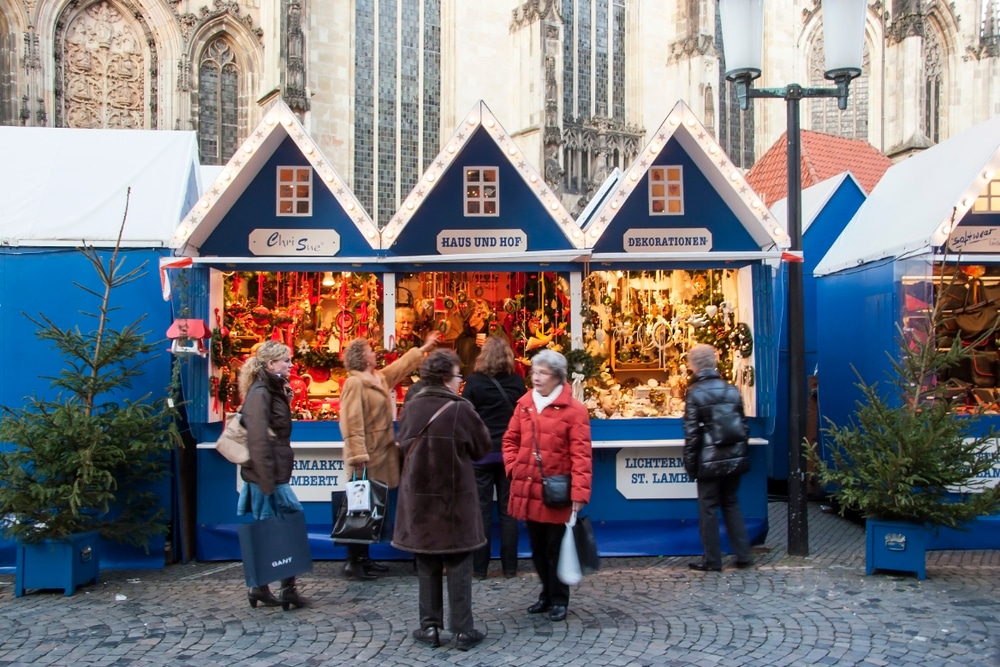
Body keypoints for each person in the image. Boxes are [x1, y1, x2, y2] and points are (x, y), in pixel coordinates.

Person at [393, 349, 491, 651]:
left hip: (419, 501)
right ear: (447, 377)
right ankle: (463, 631)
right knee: (460, 561)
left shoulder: (411, 408)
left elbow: (402, 446)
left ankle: (430, 628)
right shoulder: (461, 409)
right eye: (458, 375)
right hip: (454, 502)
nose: (460, 380)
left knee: (427, 563)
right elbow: (481, 449)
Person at [338, 330, 439, 580]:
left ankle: (364, 559)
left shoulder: (377, 378)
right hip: (367, 457)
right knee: (360, 508)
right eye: (370, 351)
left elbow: (400, 367)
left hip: (382, 453)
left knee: (372, 508)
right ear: (363, 357)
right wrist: (358, 455)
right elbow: (351, 422)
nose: (375, 353)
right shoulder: (355, 383)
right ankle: (354, 561)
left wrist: (424, 347)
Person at [502, 349, 592, 622]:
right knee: (537, 548)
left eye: (542, 373)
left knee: (555, 547)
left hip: (555, 491)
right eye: (534, 372)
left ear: (557, 376)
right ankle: (545, 593)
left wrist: (579, 493)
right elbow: (509, 440)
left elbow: (581, 455)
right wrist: (514, 468)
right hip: (528, 489)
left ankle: (558, 598)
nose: (536, 377)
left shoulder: (574, 412)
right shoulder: (524, 404)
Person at [236, 340, 310, 609]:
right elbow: (257, 438)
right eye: (286, 360)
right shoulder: (260, 393)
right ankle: (282, 588)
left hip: (269, 473)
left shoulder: (272, 390)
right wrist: (266, 482)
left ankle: (262, 587)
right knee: (285, 521)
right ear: (270, 364)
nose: (291, 364)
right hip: (266, 476)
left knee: (272, 527)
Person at [682, 343, 752, 572]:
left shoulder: (694, 393)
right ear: (714, 362)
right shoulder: (732, 390)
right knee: (731, 502)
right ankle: (743, 554)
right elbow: (743, 425)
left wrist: (691, 466)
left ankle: (712, 559)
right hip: (734, 456)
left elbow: (692, 434)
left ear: (693, 365)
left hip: (709, 460)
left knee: (708, 508)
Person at [461, 336, 527, 579]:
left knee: (481, 511)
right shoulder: (517, 382)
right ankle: (510, 567)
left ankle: (479, 569)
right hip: (511, 454)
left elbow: (466, 415)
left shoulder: (475, 383)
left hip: (482, 454)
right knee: (509, 512)